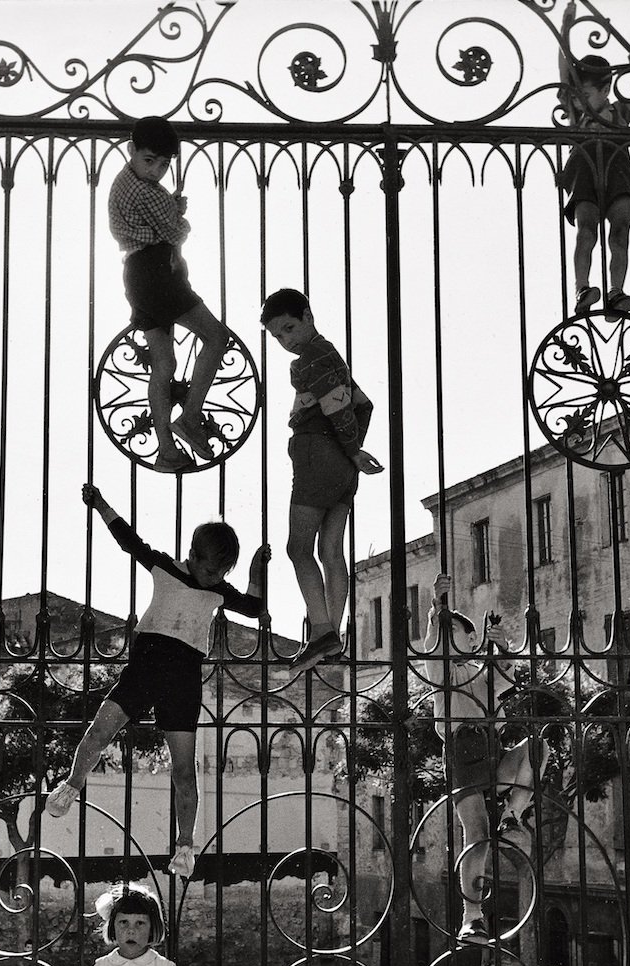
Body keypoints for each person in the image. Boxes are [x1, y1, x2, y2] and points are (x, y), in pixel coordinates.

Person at [46, 484, 270, 878]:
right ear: (192, 556)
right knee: (98, 733)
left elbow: (253, 606)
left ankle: (185, 848)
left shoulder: (218, 590)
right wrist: (101, 503)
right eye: (208, 569)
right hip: (144, 670)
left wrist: (256, 565)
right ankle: (71, 784)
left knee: (184, 771)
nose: (212, 578)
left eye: (220, 574)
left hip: (183, 681)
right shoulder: (166, 568)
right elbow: (129, 540)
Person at [260, 288, 383, 672]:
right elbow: (363, 405)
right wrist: (352, 452)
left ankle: (321, 632)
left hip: (318, 456)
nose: (286, 340)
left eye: (290, 328)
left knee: (298, 549)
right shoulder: (332, 356)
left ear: (308, 316)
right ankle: (332, 638)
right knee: (331, 552)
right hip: (342, 470)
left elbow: (334, 407)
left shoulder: (310, 358)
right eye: (278, 336)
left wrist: (348, 450)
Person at [422, 573, 545, 946]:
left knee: (537, 748)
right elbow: (433, 641)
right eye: (452, 633)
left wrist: (503, 648)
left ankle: (513, 814)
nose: (466, 639)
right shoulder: (443, 672)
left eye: (460, 633)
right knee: (475, 835)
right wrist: (438, 608)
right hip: (462, 754)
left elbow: (503, 675)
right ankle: (472, 918)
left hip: (493, 752)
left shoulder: (477, 674)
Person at [108, 115, 231, 473]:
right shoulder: (146, 191)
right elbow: (176, 232)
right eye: (150, 160)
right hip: (158, 273)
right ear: (132, 150)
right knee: (215, 337)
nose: (157, 170)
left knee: (164, 364)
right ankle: (190, 418)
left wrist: (170, 216)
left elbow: (164, 226)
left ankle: (166, 450)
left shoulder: (126, 179)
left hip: (138, 274)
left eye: (163, 164)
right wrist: (179, 216)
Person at [558, 1, 630, 320]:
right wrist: (564, 30)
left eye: (585, 94)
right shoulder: (578, 113)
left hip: (618, 174)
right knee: (586, 230)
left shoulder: (619, 110)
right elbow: (564, 71)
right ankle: (582, 289)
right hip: (585, 174)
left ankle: (615, 293)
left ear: (605, 89)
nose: (578, 99)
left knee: (620, 232)